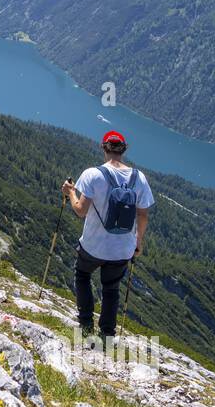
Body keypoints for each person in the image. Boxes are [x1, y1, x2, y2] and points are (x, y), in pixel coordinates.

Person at [60, 130, 153, 339]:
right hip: (122, 250)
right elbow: (143, 214)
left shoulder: (92, 174)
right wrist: (138, 241)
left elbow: (81, 211)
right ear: (124, 150)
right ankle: (107, 334)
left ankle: (85, 325)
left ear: (104, 148)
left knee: (83, 275)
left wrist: (70, 192)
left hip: (93, 245)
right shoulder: (140, 178)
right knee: (111, 288)